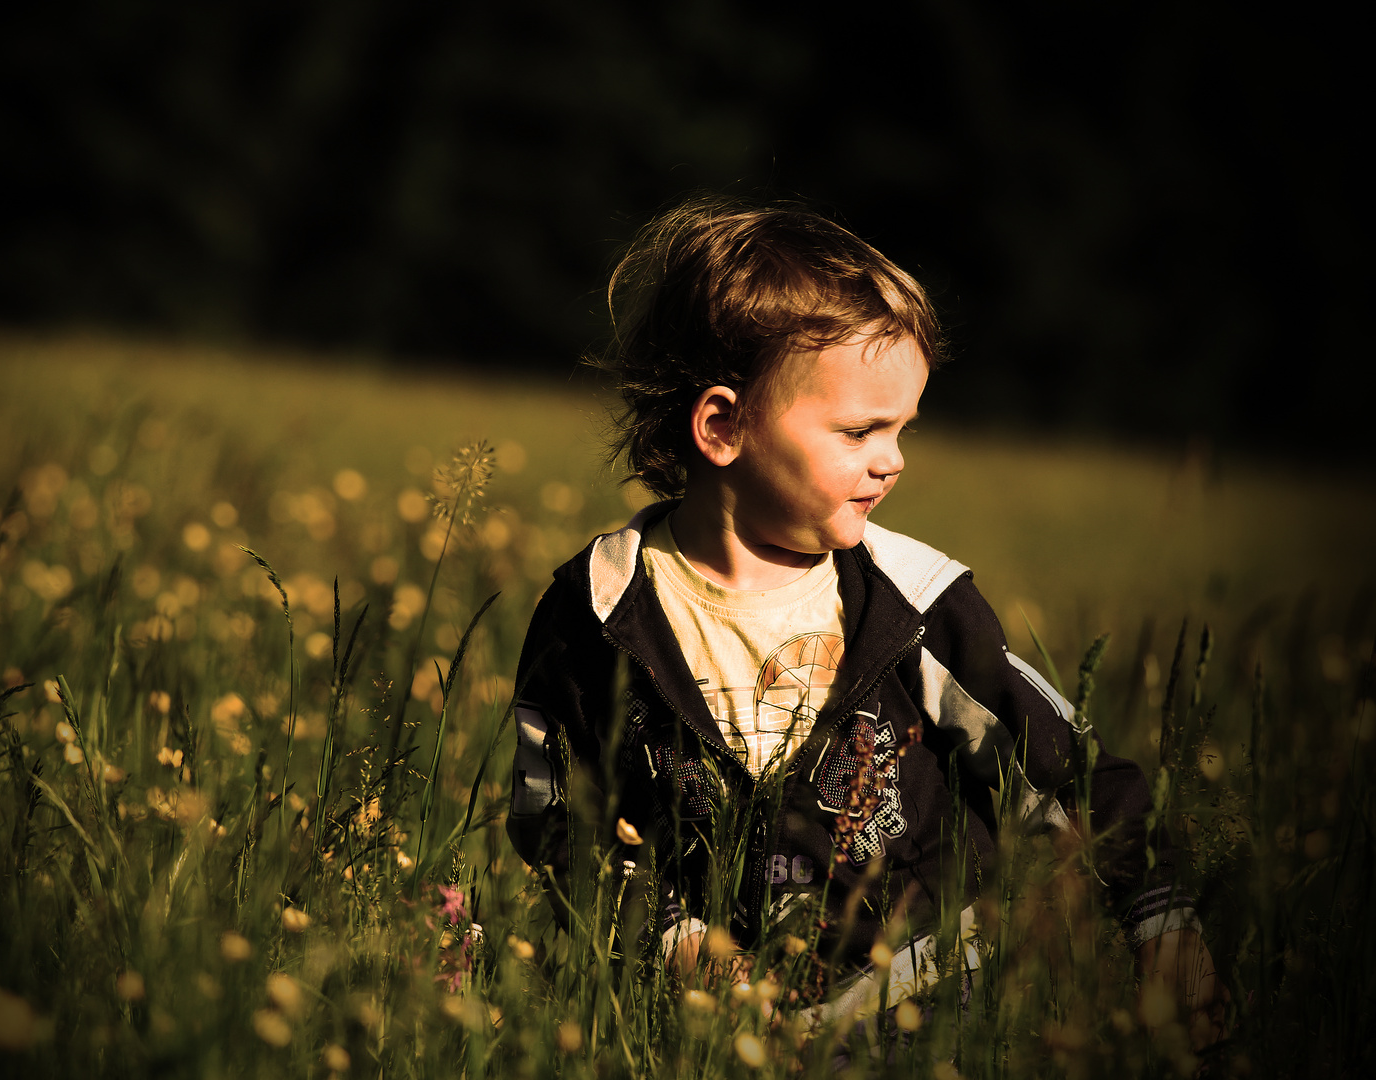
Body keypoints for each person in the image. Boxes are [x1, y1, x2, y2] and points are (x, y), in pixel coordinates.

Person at [504, 196, 1224, 1040]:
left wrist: (1161, 915)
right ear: (723, 425)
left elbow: (1070, 772)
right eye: (858, 431)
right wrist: (674, 939)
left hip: (928, 1006)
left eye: (902, 429)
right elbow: (561, 818)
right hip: (707, 1025)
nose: (892, 460)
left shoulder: (910, 600)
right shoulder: (597, 609)